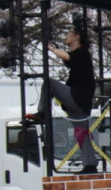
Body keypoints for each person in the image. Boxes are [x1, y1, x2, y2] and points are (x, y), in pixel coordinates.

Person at [37, 20, 98, 174]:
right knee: (81, 132)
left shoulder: (82, 52)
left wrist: (50, 47)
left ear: (76, 37)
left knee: (49, 83)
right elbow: (69, 59)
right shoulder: (81, 55)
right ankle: (90, 164)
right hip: (82, 102)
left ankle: (43, 111)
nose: (66, 36)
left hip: (77, 97)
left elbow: (66, 56)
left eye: (69, 33)